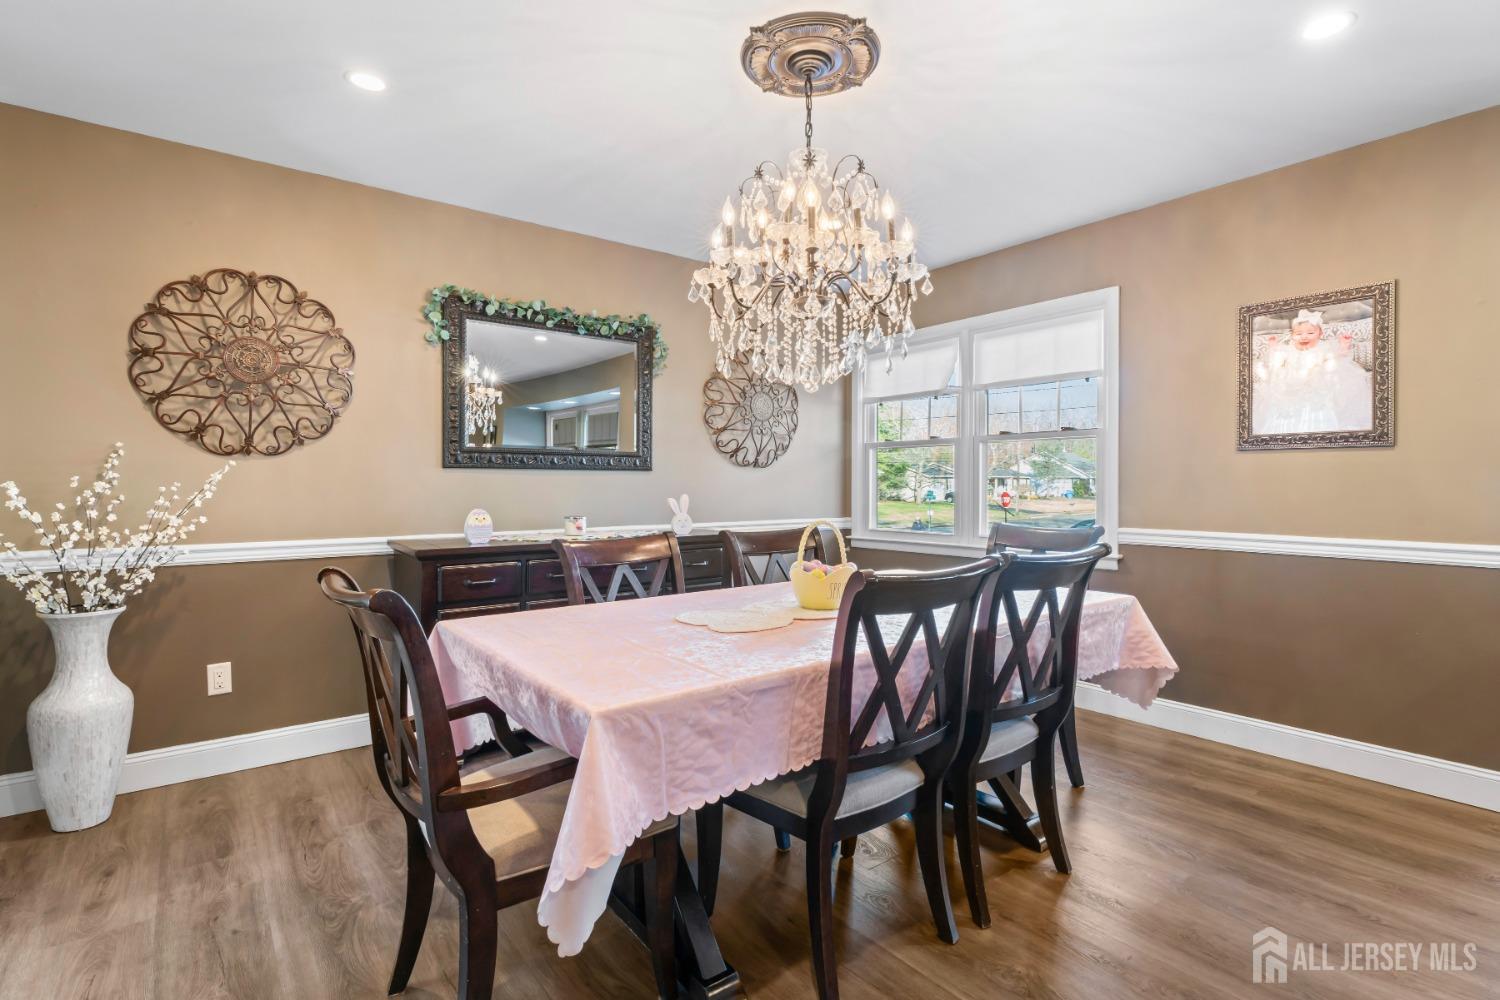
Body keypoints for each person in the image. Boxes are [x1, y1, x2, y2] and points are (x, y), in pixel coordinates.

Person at [1252, 309, 1372, 434]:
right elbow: (1276, 361)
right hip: (1291, 386)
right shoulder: (1288, 350)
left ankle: (1317, 428)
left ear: (1320, 334)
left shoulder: (1324, 348)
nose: (1304, 336)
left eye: (1310, 333)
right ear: (1292, 335)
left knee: (1320, 400)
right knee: (1280, 400)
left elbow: (1338, 360)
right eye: (1298, 334)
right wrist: (1273, 347)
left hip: (1317, 387)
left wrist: (1344, 345)